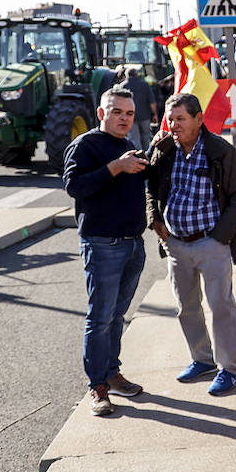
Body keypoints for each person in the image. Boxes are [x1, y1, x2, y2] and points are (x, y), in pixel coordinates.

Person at [145, 93, 236, 396]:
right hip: (176, 245)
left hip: (211, 243)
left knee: (221, 307)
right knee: (186, 307)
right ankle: (202, 360)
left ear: (198, 118)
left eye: (180, 118)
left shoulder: (220, 151)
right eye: (170, 118)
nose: (173, 124)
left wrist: (221, 235)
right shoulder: (165, 149)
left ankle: (230, 370)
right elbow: (151, 186)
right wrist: (156, 221)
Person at [62, 86, 149, 416]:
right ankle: (97, 386)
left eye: (128, 113)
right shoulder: (85, 145)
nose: (124, 118)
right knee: (100, 318)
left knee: (116, 317)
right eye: (116, 112)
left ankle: (112, 373)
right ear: (101, 113)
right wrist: (116, 167)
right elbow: (74, 187)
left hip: (132, 245)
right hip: (102, 245)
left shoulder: (127, 146)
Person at [119, 66, 158, 150]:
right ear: (137, 74)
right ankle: (148, 156)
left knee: (134, 139)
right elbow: (152, 102)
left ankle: (138, 157)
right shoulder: (145, 84)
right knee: (146, 137)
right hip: (145, 117)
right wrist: (155, 114)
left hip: (130, 117)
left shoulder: (122, 86)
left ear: (126, 75)